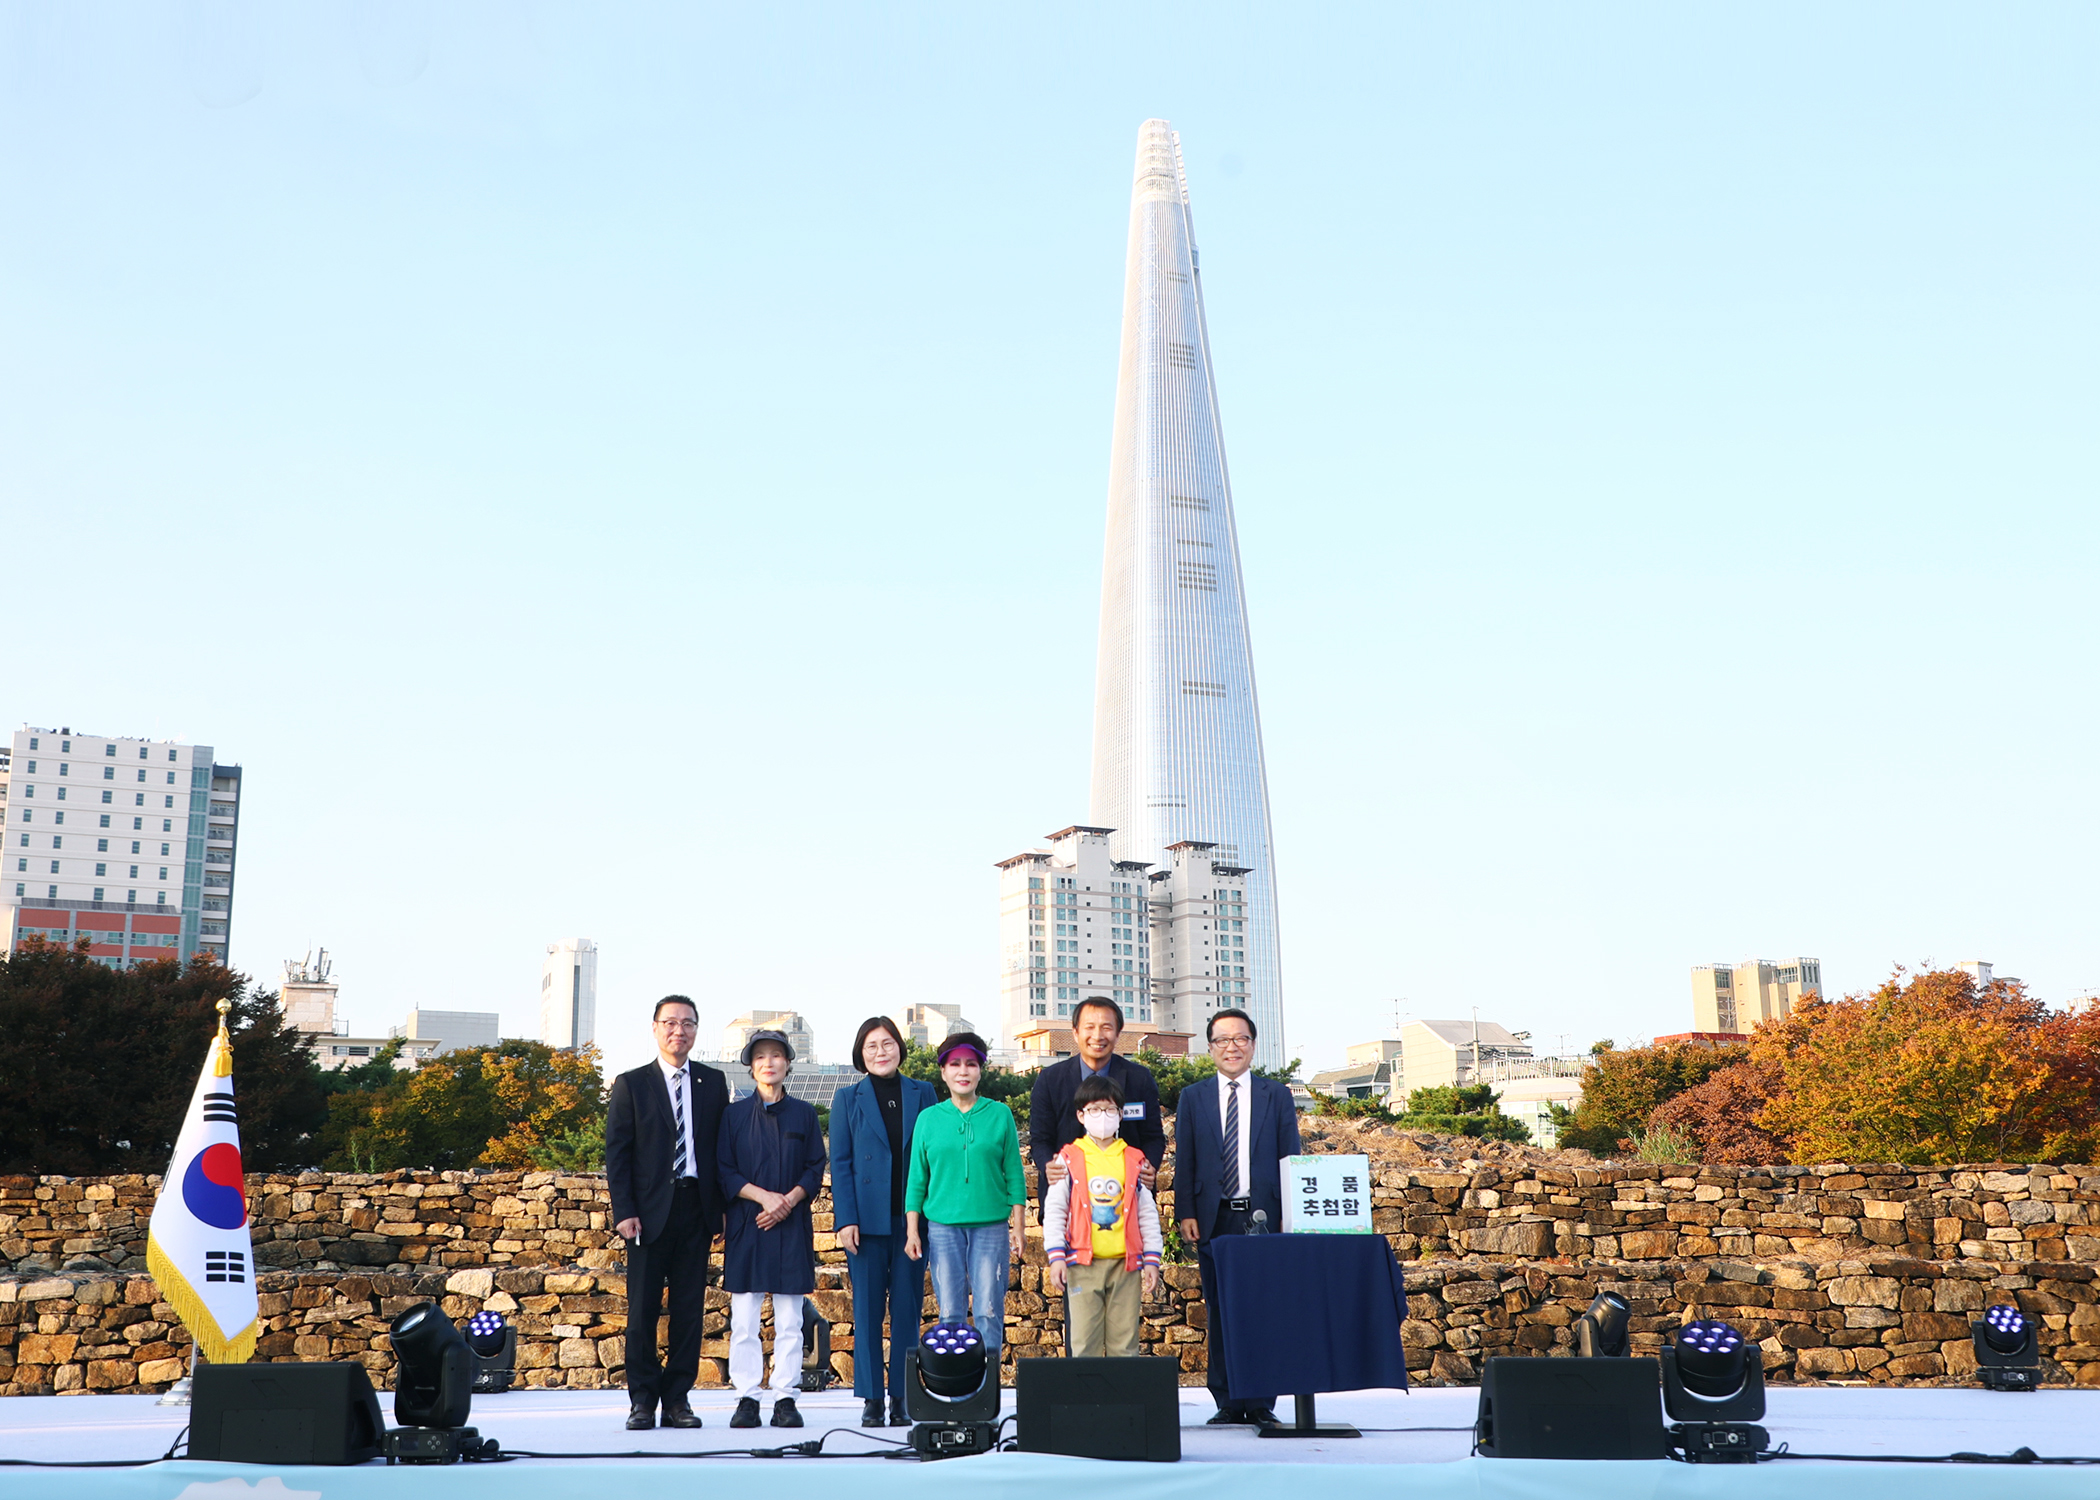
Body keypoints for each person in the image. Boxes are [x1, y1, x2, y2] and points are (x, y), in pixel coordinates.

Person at [605, 995, 731, 1430]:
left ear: (697, 1030)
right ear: (655, 1028)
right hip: (646, 1214)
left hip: (697, 1209)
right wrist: (625, 1210)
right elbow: (617, 1155)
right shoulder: (631, 1084)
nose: (680, 1031)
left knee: (689, 1310)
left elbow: (721, 1152)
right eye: (671, 1023)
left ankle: (678, 1399)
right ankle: (642, 1399)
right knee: (641, 1310)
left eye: (688, 1024)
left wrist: (722, 1212)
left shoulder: (714, 1083)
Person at [1174, 1007, 1301, 1425]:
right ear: (1210, 1048)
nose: (1232, 1047)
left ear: (1253, 1045)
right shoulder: (1193, 1097)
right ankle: (1227, 1401)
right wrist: (1185, 1212)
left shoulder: (1276, 1095)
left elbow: (1290, 1157)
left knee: (1264, 1310)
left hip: (1265, 1216)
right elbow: (1186, 1161)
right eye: (1222, 1040)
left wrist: (1291, 1213)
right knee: (1220, 1310)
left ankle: (1262, 1402)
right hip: (1214, 1217)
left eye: (1240, 1039)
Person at [716, 1028, 828, 1429]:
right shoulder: (732, 1116)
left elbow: (815, 1166)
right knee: (744, 1320)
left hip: (791, 1228)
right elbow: (724, 1169)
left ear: (787, 1064)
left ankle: (785, 1397)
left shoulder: (804, 1114)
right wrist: (764, 1198)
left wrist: (788, 1201)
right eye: (760, 1056)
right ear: (750, 1066)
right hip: (748, 1226)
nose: (768, 1062)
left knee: (791, 1322)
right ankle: (746, 1397)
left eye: (776, 1055)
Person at [829, 1015, 936, 1427]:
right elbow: (840, 1163)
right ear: (861, 1053)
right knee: (868, 1310)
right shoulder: (847, 1098)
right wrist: (846, 1219)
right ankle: (872, 1397)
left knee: (908, 1309)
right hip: (866, 1222)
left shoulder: (923, 1092)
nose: (880, 1052)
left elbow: (932, 1153)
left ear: (899, 1048)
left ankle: (903, 1397)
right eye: (872, 1046)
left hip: (912, 1221)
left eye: (887, 1043)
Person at [904, 1032, 1026, 1360]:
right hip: (943, 1227)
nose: (963, 1071)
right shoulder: (928, 1119)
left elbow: (1014, 1174)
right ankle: (957, 1396)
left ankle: (986, 1394)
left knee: (988, 1310)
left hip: (991, 1226)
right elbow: (917, 1180)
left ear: (981, 1070)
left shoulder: (1000, 1114)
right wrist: (913, 1230)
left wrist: (1019, 1226)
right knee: (950, 1315)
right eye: (954, 1064)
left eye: (971, 1064)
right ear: (943, 1071)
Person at [1042, 1076, 1162, 1356]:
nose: (1103, 1117)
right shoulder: (1069, 1158)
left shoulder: (1135, 1159)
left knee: (1126, 1343)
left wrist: (1152, 1259)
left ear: (1121, 1114)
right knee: (1084, 1342)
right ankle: (1085, 1400)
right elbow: (1056, 1210)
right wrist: (1056, 1257)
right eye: (1094, 1110)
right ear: (1081, 1115)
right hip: (1082, 1264)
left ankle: (1123, 1401)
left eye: (1110, 1110)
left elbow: (1147, 1213)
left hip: (1127, 1266)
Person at [1028, 995, 1166, 1198]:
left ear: (1118, 1034)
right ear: (1075, 1032)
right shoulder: (1050, 1079)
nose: (1098, 1035)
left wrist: (1149, 1165)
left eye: (1106, 1028)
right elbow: (1040, 1139)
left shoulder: (1139, 1078)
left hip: (1127, 1195)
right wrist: (1048, 1164)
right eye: (1089, 1027)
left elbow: (1153, 1137)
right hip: (1066, 1194)